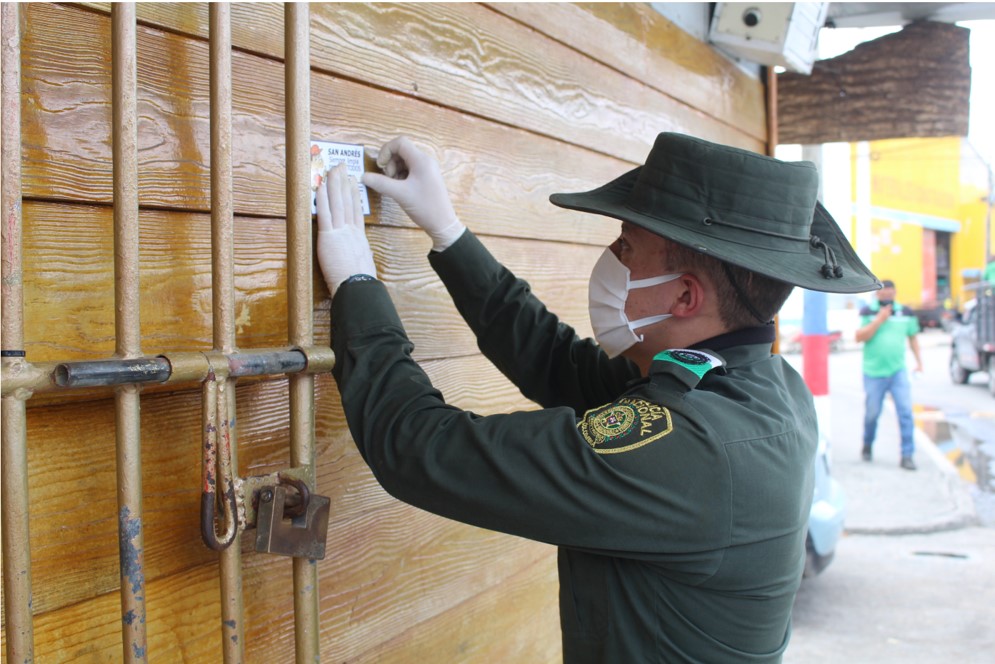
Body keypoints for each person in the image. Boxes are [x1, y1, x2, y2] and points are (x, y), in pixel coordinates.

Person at [315, 133, 880, 663]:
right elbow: (560, 365)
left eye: (627, 246)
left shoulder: (693, 447)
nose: (612, 256)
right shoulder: (757, 386)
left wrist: (357, 287)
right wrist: (449, 234)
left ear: (684, 295)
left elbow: (419, 451)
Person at [855, 279, 923, 470]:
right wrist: (879, 320)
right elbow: (859, 337)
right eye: (883, 294)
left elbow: (913, 338)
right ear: (877, 294)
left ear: (895, 293)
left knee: (905, 413)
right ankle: (867, 444)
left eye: (890, 293)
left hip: (898, 371)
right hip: (874, 372)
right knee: (872, 413)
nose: (887, 297)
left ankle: (907, 455)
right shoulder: (868, 311)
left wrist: (919, 363)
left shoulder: (906, 313)